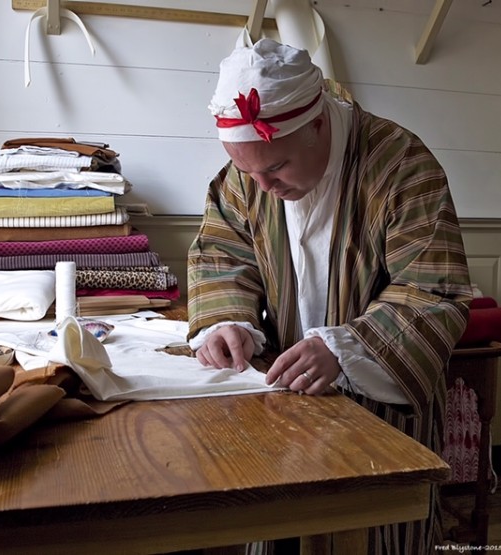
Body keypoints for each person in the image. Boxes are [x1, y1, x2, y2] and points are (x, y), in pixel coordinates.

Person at [186, 38, 473, 554]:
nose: (263, 185)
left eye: (276, 168)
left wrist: (344, 349)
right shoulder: (246, 177)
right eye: (247, 171)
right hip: (283, 396)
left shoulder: (402, 164)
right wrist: (226, 322)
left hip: (383, 409)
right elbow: (223, 255)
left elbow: (434, 290)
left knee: (379, 533)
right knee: (278, 527)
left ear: (318, 122)